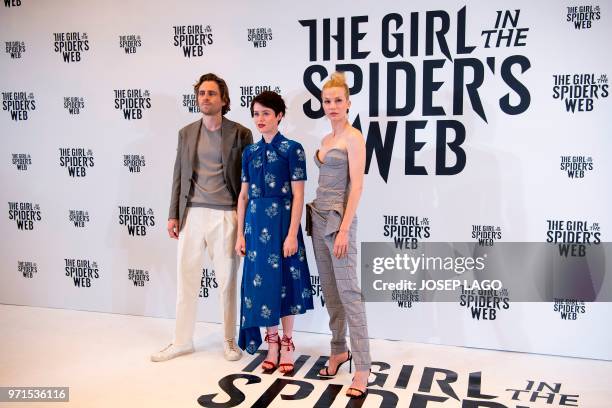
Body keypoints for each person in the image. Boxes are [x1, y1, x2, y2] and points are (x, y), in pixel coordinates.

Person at [151, 73, 253, 362]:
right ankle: (181, 341)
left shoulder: (241, 133)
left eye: (211, 93)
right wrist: (173, 214)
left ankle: (230, 341)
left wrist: (244, 222)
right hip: (191, 215)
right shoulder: (186, 133)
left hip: (226, 216)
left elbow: (248, 182)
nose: (205, 98)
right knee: (186, 279)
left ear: (223, 99)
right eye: (202, 93)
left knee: (227, 282)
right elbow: (177, 175)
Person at [235, 91, 313, 373]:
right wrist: (240, 235)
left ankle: (288, 342)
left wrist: (292, 234)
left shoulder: (293, 149)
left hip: (282, 226)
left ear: (279, 115)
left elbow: (298, 195)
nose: (260, 119)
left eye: (266, 113)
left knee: (286, 285)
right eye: (256, 114)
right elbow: (243, 197)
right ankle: (272, 343)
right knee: (263, 285)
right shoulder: (249, 152)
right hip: (255, 228)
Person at [308, 72, 371, 398]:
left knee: (350, 294)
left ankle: (362, 367)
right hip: (317, 219)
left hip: (338, 222)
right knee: (331, 292)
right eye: (327, 101)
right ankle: (337, 350)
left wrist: (344, 228)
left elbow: (357, 186)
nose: (332, 106)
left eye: (337, 101)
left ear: (348, 103)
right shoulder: (324, 141)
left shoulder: (353, 138)